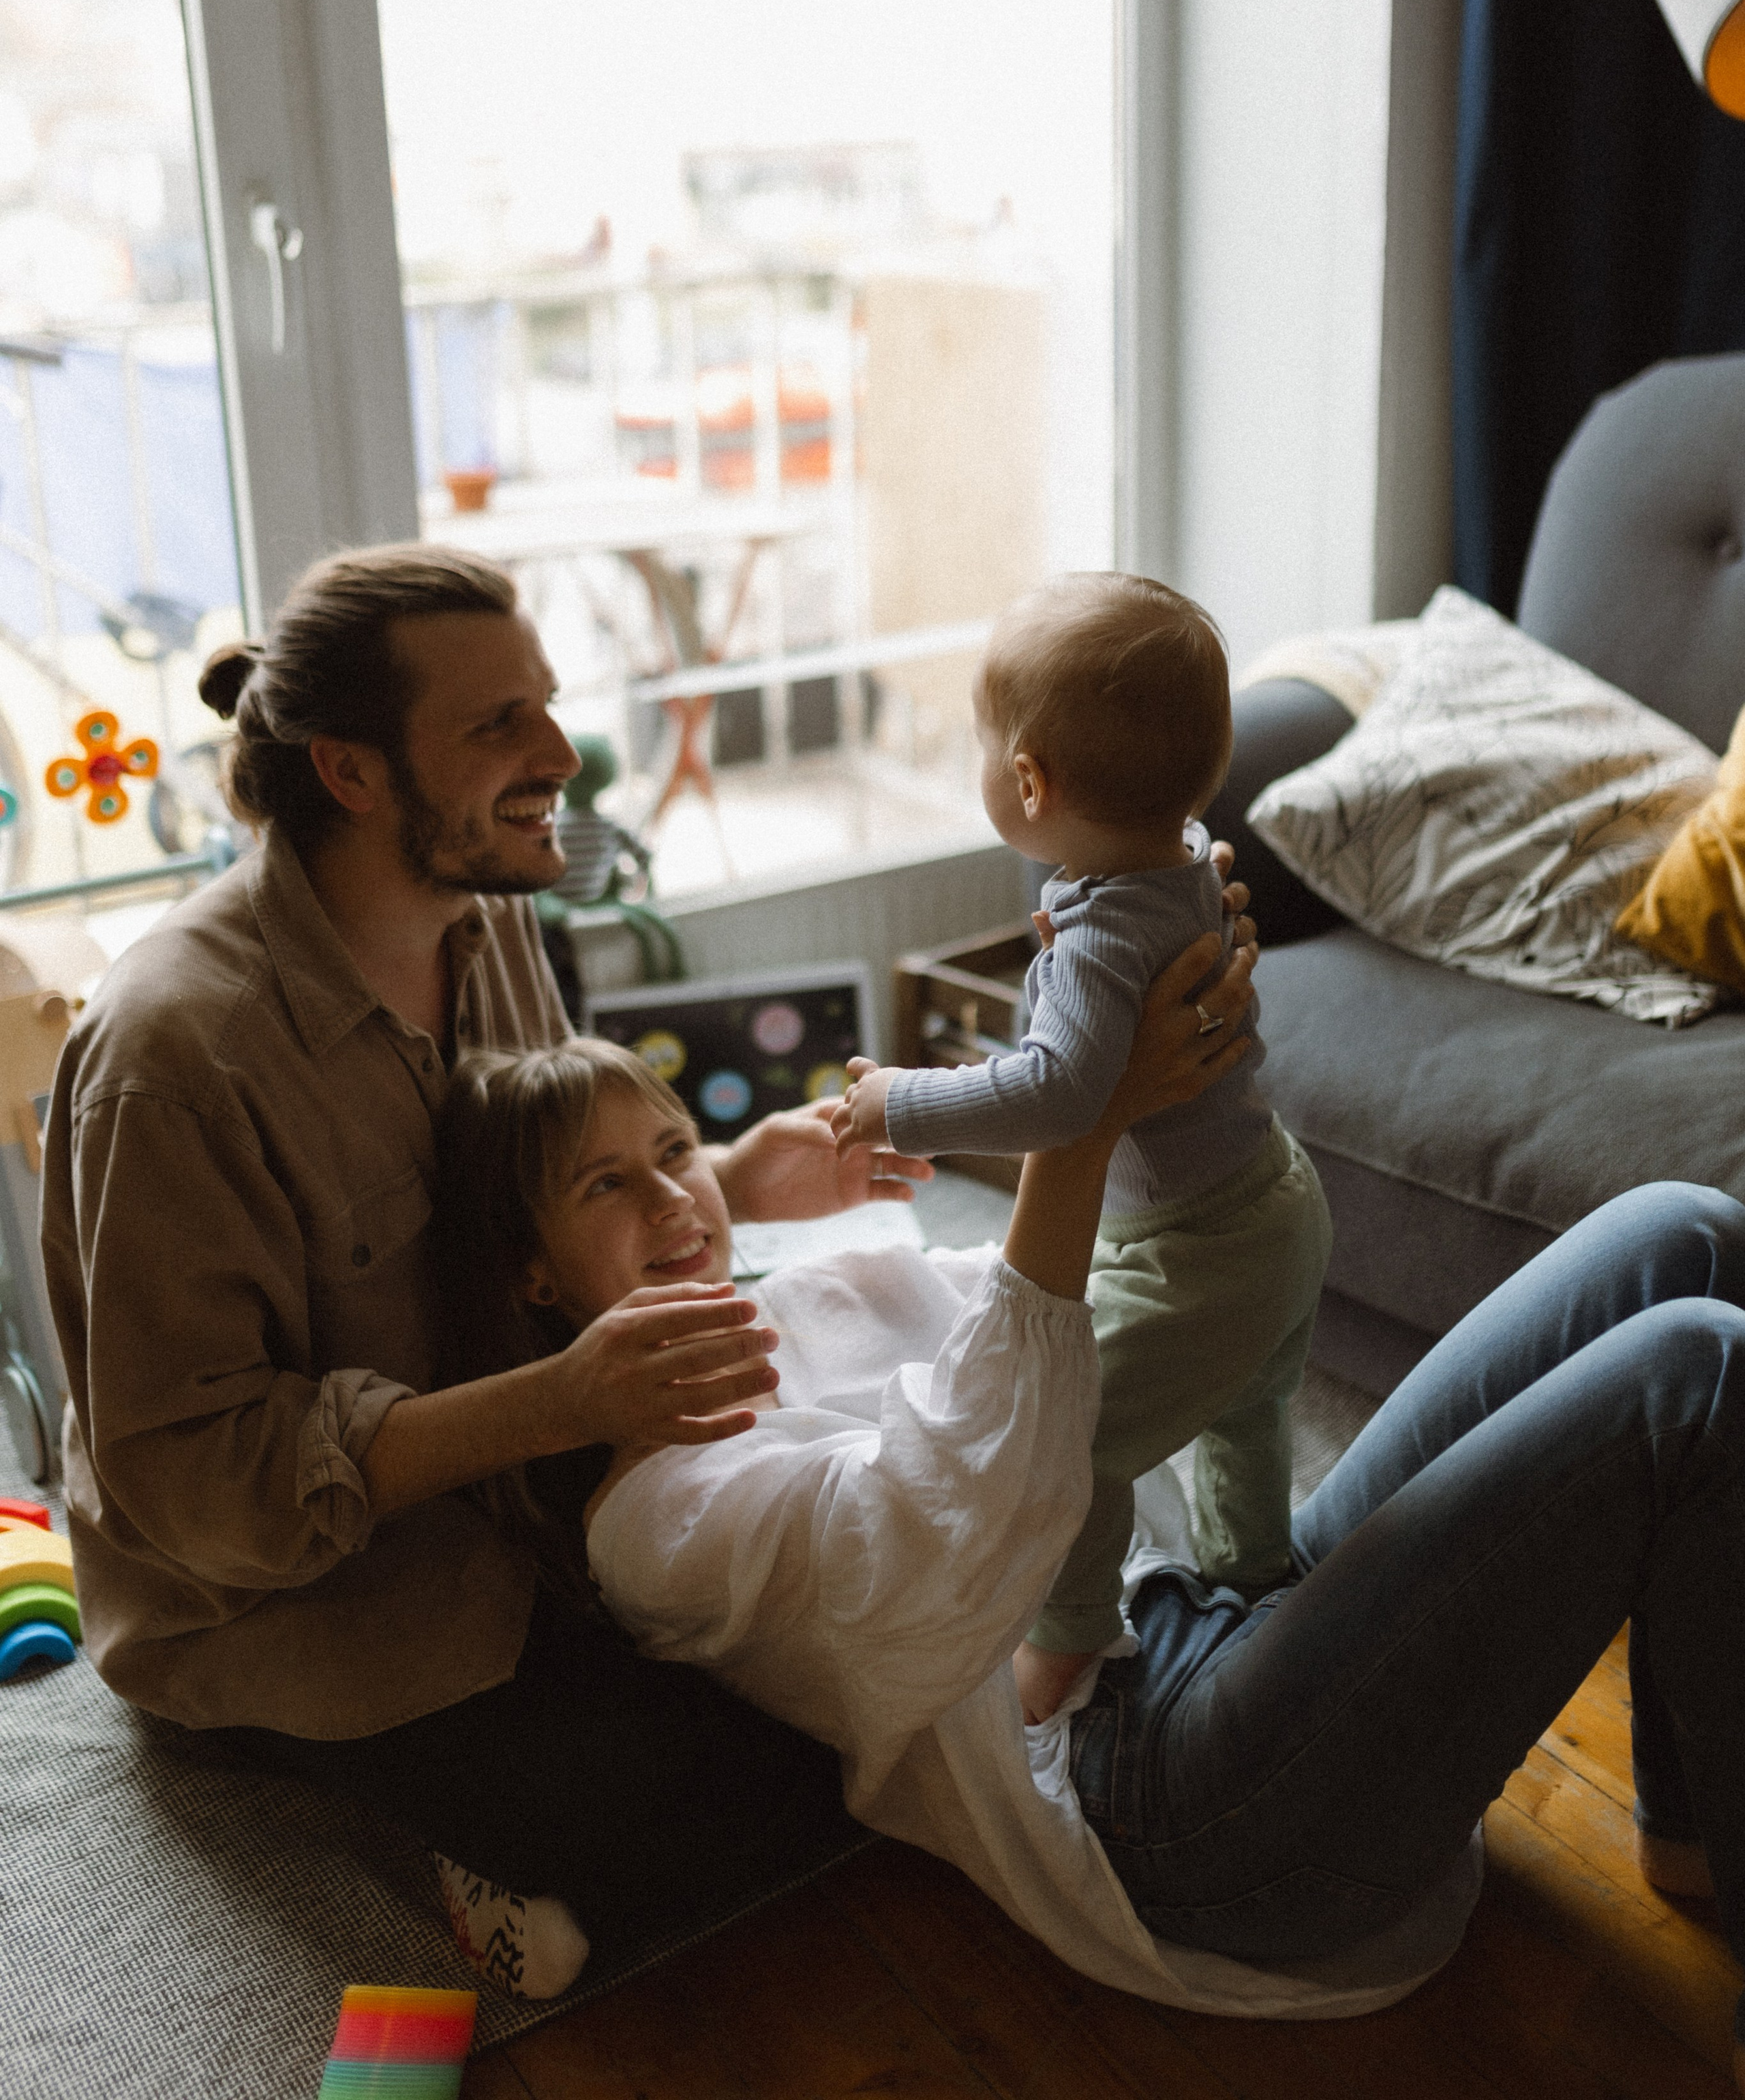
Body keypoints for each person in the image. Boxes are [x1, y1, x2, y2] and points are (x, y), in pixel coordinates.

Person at [38, 538, 1260, 1998]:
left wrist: (730, 1178)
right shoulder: (173, 1058)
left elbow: (529, 1195)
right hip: (293, 1589)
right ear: (351, 773)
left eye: (548, 704)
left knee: (882, 1671)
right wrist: (561, 1403)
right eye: (501, 724)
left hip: (529, 1464)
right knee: (760, 1787)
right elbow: (194, 1479)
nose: (562, 754)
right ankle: (454, 1857)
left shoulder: (489, 910)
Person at [438, 1025, 1745, 2047]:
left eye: (676, 1151)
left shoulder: (825, 1285)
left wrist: (1169, 1084)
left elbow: (1116, 1302)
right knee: (1695, 1373)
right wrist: (1079, 1118)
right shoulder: (653, 1519)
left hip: (1220, 1606)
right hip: (1158, 1801)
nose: (671, 1199)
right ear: (532, 1275)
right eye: (606, 1184)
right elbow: (964, 1501)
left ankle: (1692, 1823)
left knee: (1681, 1232)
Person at [834, 571, 1331, 1722]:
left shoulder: (1107, 928)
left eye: (981, 744)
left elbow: (1057, 1094)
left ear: (1027, 781)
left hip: (1201, 1252)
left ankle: (1066, 1643)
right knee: (1248, 1413)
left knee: (1074, 1438)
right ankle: (1255, 1578)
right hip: (1276, 1201)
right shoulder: (1188, 855)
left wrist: (901, 1101)